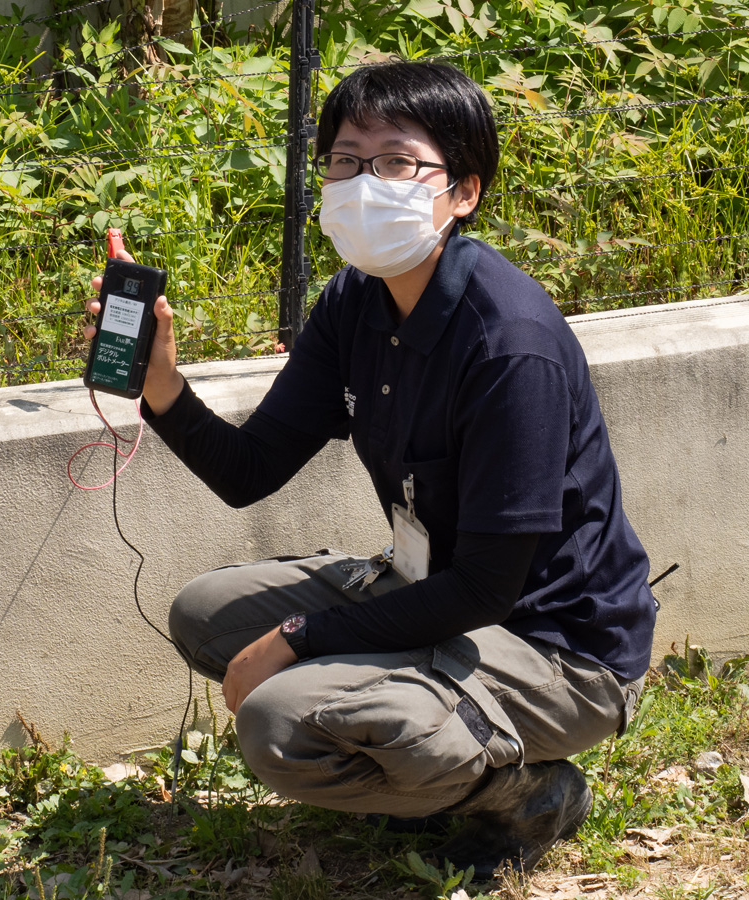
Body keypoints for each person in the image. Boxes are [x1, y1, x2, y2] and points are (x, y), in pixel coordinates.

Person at [84, 59, 656, 877]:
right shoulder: (358, 299)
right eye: (345, 160)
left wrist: (297, 638)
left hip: (557, 643)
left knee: (279, 721)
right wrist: (164, 387)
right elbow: (251, 468)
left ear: (463, 191)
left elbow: (489, 589)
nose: (361, 182)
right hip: (438, 591)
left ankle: (525, 794)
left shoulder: (509, 344)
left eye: (395, 161)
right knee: (207, 614)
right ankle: (435, 753)